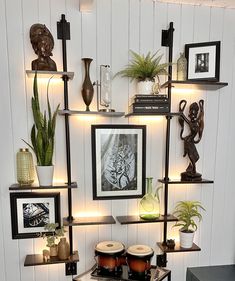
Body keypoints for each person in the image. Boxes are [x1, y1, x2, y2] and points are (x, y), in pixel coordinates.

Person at [178, 99, 204, 181]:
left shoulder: (196, 121)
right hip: (188, 141)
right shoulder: (190, 122)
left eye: (194, 114)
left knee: (196, 156)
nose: (192, 115)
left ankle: (192, 168)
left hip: (191, 141)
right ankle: (193, 169)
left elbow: (201, 114)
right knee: (191, 156)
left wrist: (201, 106)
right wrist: (182, 107)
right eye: (191, 113)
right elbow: (182, 116)